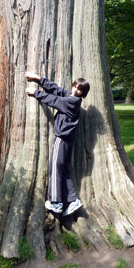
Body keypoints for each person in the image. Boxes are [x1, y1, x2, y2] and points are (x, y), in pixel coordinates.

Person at [25, 72, 90, 216]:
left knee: (55, 167)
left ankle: (55, 202)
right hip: (67, 139)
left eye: (79, 89)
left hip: (62, 138)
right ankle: (72, 200)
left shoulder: (72, 102)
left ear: (83, 93)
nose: (75, 90)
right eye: (74, 86)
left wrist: (36, 93)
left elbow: (54, 100)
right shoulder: (71, 96)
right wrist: (38, 79)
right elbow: (56, 89)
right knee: (64, 168)